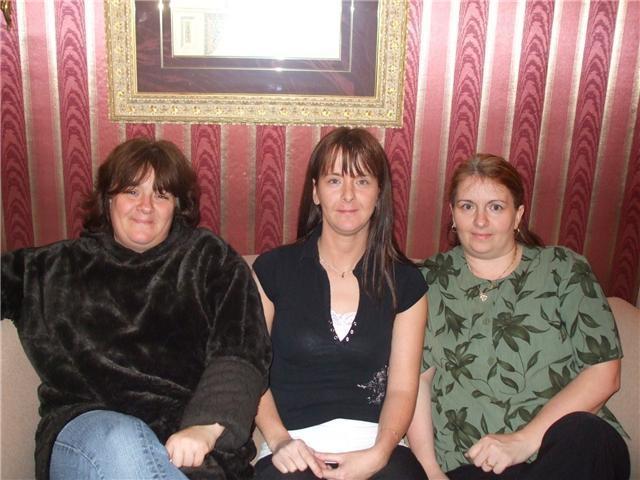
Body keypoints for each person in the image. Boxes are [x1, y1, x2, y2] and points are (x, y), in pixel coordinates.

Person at [1, 138, 272, 480]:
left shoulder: (210, 260)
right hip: (89, 435)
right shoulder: (50, 268)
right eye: (132, 191)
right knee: (122, 441)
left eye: (161, 195)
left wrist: (207, 426)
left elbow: (242, 352)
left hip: (191, 443)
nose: (145, 206)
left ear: (177, 206)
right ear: (108, 199)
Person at [407, 154, 630, 480]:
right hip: (474, 465)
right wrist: (429, 471)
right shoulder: (426, 282)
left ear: (518, 216)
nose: (480, 221)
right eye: (467, 206)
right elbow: (415, 381)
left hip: (568, 453)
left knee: (587, 434)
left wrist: (523, 441)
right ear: (452, 214)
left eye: (496, 207)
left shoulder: (563, 269)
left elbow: (604, 372)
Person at [252, 127, 428, 479]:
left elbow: (402, 389)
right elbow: (250, 370)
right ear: (315, 192)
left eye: (362, 181)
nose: (348, 195)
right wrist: (280, 440)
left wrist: (379, 453)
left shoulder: (406, 282)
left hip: (376, 447)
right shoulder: (273, 271)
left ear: (379, 193)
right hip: (293, 447)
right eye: (334, 181)